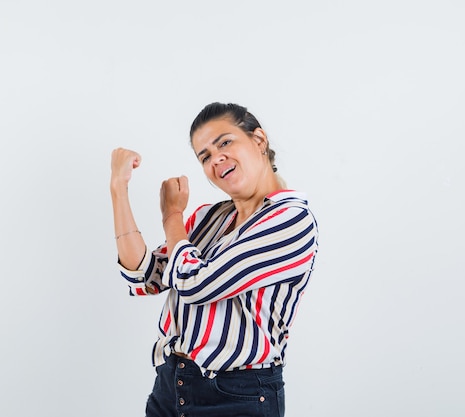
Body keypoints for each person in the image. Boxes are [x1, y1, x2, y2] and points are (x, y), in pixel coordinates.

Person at [110, 102, 319, 417]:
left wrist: (172, 216)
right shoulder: (210, 217)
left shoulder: (290, 219)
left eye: (225, 142)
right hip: (171, 385)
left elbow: (197, 283)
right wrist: (118, 189)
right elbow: (146, 278)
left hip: (238, 396)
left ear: (259, 141)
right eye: (204, 156)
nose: (216, 158)